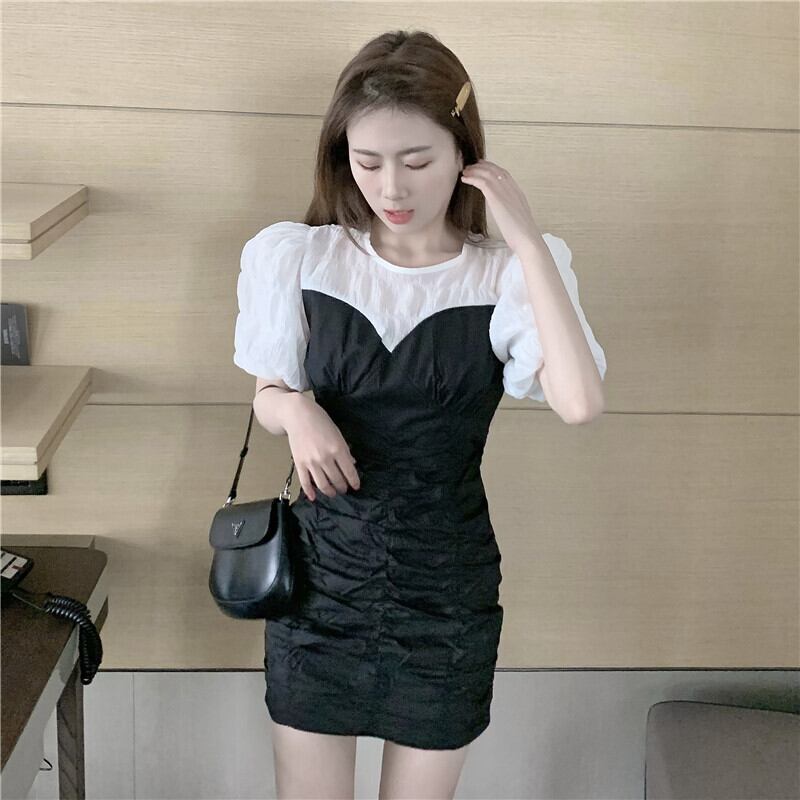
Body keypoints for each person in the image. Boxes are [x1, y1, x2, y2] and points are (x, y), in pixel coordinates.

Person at [233, 29, 607, 800]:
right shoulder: (300, 257)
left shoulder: (504, 277)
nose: (392, 188)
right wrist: (296, 411)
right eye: (368, 162)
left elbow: (579, 402)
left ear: (464, 152)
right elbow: (268, 392)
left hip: (446, 591)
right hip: (321, 581)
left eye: (417, 161)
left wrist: (528, 242)